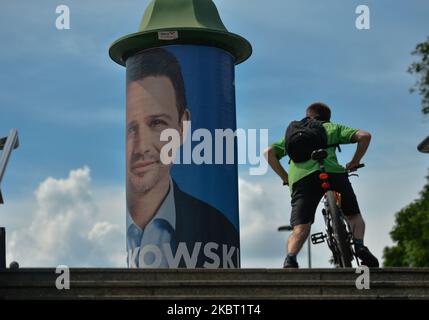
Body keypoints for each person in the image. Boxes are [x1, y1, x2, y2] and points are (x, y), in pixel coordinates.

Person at [126, 48, 239, 268]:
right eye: (131, 128)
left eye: (157, 123)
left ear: (182, 125)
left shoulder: (219, 228)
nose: (142, 147)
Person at [264, 102, 379, 268]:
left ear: (308, 116)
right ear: (327, 118)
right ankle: (360, 246)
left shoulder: (294, 134)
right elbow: (365, 136)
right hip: (333, 174)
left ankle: (290, 258)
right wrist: (355, 161)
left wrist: (286, 177)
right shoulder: (331, 128)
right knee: (354, 216)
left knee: (300, 227)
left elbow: (268, 153)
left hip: (302, 180)